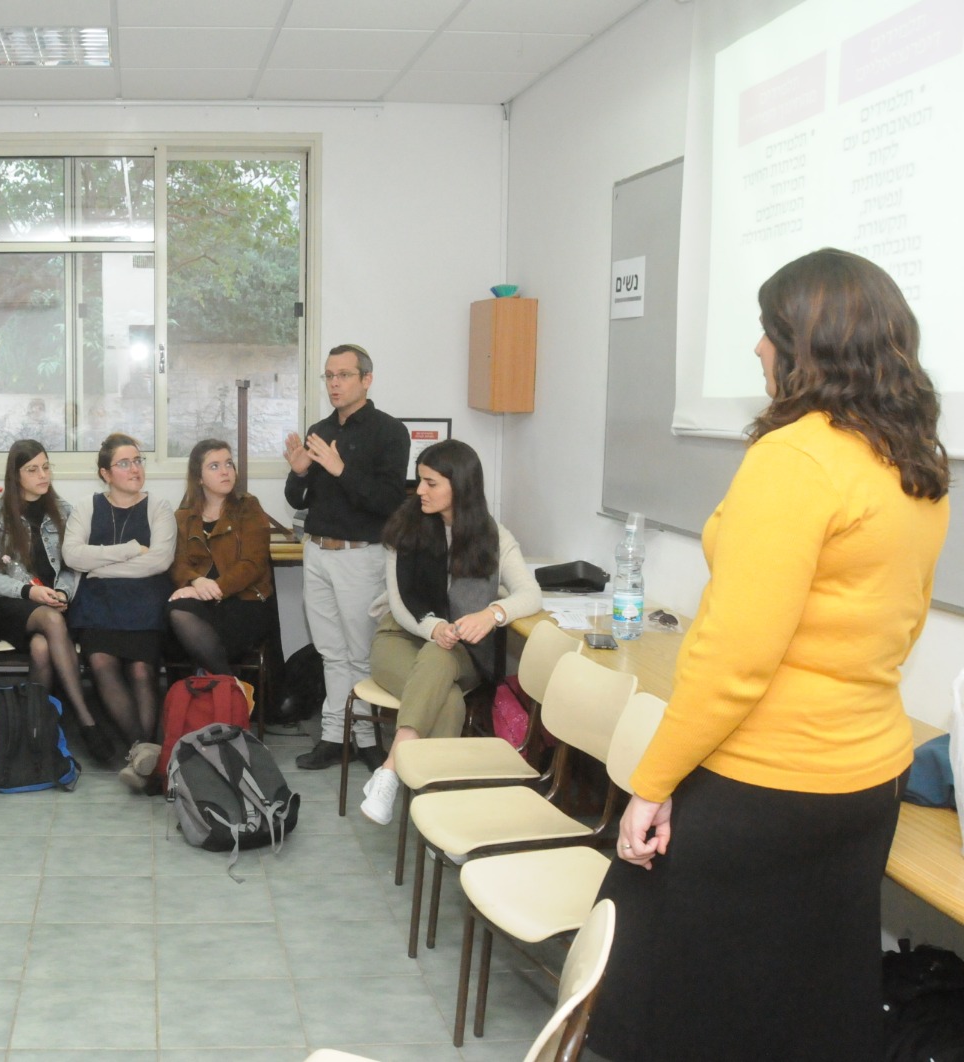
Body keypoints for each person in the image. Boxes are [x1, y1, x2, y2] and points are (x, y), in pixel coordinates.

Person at [590, 249, 951, 1062]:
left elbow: (734, 659)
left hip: (763, 784)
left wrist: (652, 784)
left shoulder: (796, 457)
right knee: (804, 1007)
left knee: (657, 990)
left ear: (806, 344)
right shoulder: (911, 460)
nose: (757, 348)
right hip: (865, 782)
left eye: (767, 331)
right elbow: (905, 624)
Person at [355, 439, 541, 825]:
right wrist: (434, 626)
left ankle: (390, 769)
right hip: (400, 637)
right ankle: (442, 818)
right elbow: (401, 604)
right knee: (450, 701)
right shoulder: (405, 528)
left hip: (462, 649)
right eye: (419, 480)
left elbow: (530, 594)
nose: (420, 490)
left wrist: (493, 613)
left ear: (460, 486)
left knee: (440, 656)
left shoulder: (494, 536)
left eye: (431, 483)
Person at [284, 343, 410, 770]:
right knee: (331, 653)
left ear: (366, 379)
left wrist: (341, 470)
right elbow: (298, 499)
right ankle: (334, 737)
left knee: (359, 653)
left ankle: (366, 738)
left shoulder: (389, 432)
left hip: (361, 555)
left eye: (343, 375)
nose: (334, 384)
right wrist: (299, 472)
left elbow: (389, 501)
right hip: (317, 551)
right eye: (329, 376)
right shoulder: (320, 429)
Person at [0, 439, 116, 764]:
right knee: (51, 621)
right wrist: (29, 592)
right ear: (15, 475)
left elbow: (71, 566)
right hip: (14, 604)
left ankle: (36, 731)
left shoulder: (65, 511)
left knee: (42, 647)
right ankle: (86, 720)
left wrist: (63, 593)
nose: (43, 475)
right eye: (32, 469)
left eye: (45, 467)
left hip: (55, 602)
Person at [64, 433, 177, 774]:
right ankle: (144, 751)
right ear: (105, 473)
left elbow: (160, 561)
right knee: (101, 662)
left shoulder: (159, 507)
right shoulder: (87, 507)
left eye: (138, 461)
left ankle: (143, 752)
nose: (134, 469)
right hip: (97, 604)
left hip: (146, 600)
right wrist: (129, 550)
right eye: (124, 463)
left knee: (142, 668)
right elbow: (72, 555)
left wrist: (99, 567)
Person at [167, 438, 275, 673]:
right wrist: (196, 581)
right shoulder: (183, 516)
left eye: (228, 464)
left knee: (189, 621)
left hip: (245, 601)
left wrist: (213, 588)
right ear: (199, 477)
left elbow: (253, 564)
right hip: (204, 602)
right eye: (214, 466)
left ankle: (223, 683)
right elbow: (178, 563)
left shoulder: (249, 507)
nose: (225, 471)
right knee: (175, 611)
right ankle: (229, 683)